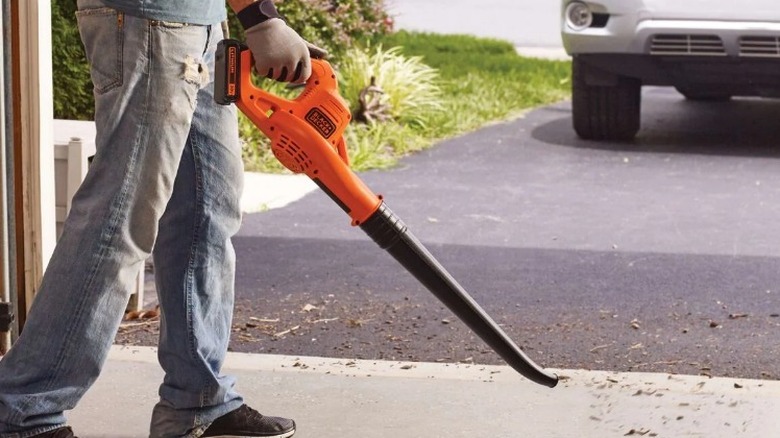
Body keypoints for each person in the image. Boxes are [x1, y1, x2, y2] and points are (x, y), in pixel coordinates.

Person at [0, 0, 324, 436]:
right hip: (151, 20)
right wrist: (260, 16)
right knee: (121, 217)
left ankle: (196, 402)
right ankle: (23, 410)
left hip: (199, 23)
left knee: (208, 209)